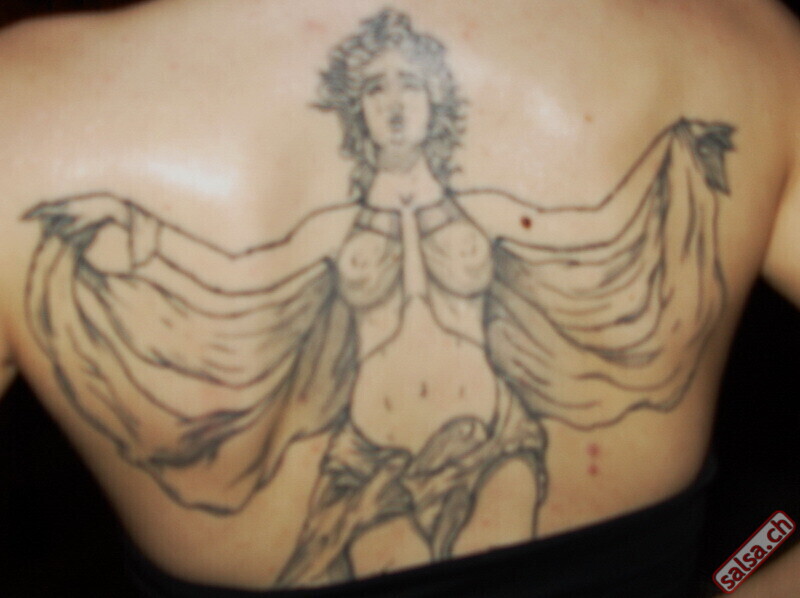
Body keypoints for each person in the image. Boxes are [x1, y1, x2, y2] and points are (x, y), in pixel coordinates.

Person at [0, 0, 798, 596]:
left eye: (406, 86)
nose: (393, 102)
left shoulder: (30, 117)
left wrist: (668, 167)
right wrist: (141, 245)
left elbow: (578, 231)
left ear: (434, 102)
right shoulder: (735, 44)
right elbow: (244, 266)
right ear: (354, 103)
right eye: (375, 87)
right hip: (363, 464)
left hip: (497, 436)